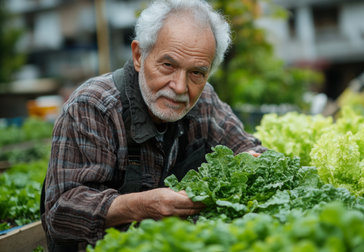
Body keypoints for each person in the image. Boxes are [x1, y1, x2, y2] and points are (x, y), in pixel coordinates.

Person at [41, 0, 266, 250]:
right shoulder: (93, 106)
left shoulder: (205, 100)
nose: (180, 87)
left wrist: (252, 160)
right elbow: (61, 210)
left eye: (197, 73)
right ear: (139, 56)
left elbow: (246, 147)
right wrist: (142, 205)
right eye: (168, 65)